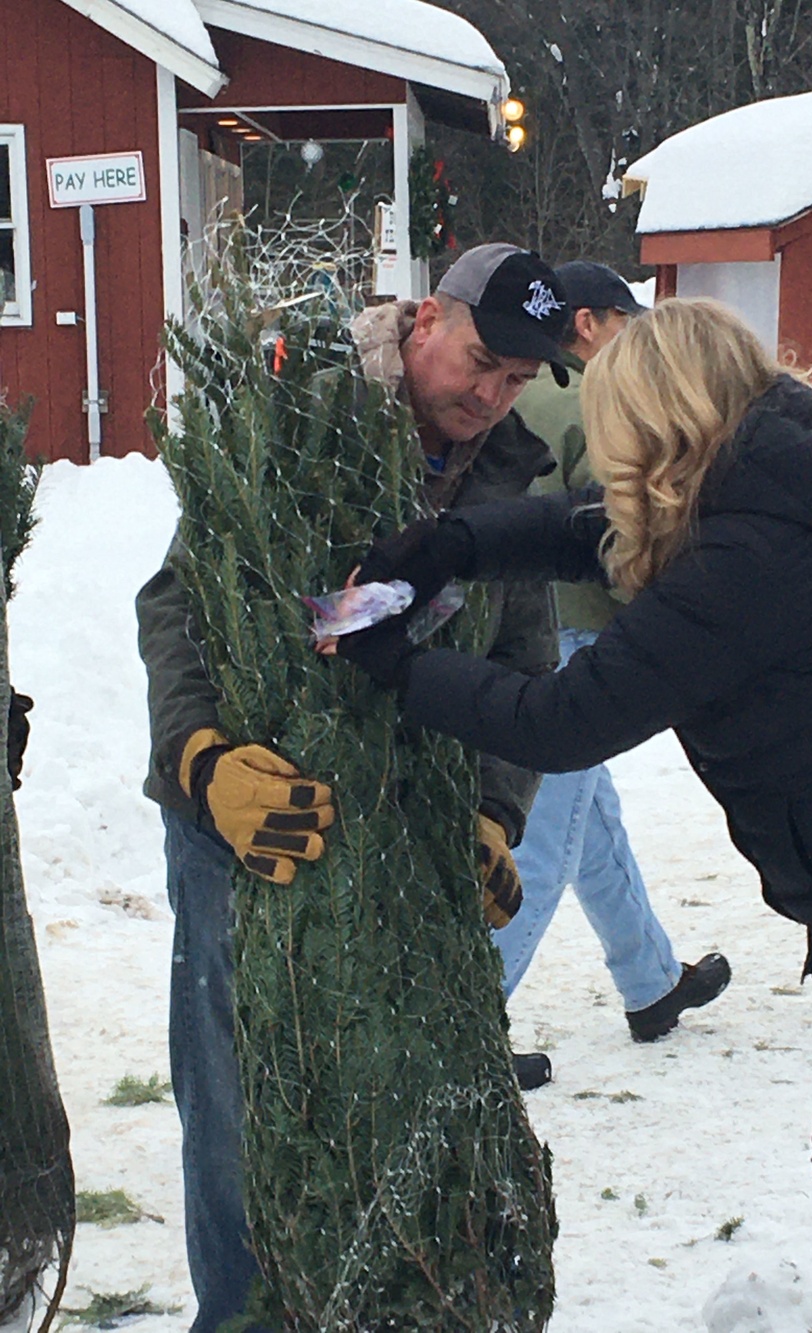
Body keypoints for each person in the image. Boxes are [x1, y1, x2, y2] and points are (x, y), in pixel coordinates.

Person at [336, 297, 812, 1333]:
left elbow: (563, 719)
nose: (601, 451)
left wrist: (395, 665)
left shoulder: (744, 564)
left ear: (661, 419)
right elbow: (579, 530)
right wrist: (452, 543)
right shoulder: (746, 503)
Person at [136, 243, 568, 1333]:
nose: (488, 395)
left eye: (517, 381)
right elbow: (180, 601)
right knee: (240, 1109)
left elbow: (524, 660)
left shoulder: (509, 472)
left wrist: (492, 810)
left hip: (407, 829)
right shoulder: (302, 412)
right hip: (254, 820)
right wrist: (202, 764)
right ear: (424, 320)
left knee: (384, 1092)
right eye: (478, 362)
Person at [504, 260, 729, 1039]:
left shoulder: (519, 384)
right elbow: (617, 525)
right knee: (539, 842)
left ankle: (651, 979)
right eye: (625, 324)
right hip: (573, 632)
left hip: (520, 625)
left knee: (587, 819)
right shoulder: (591, 399)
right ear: (592, 324)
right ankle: (469, 1025)